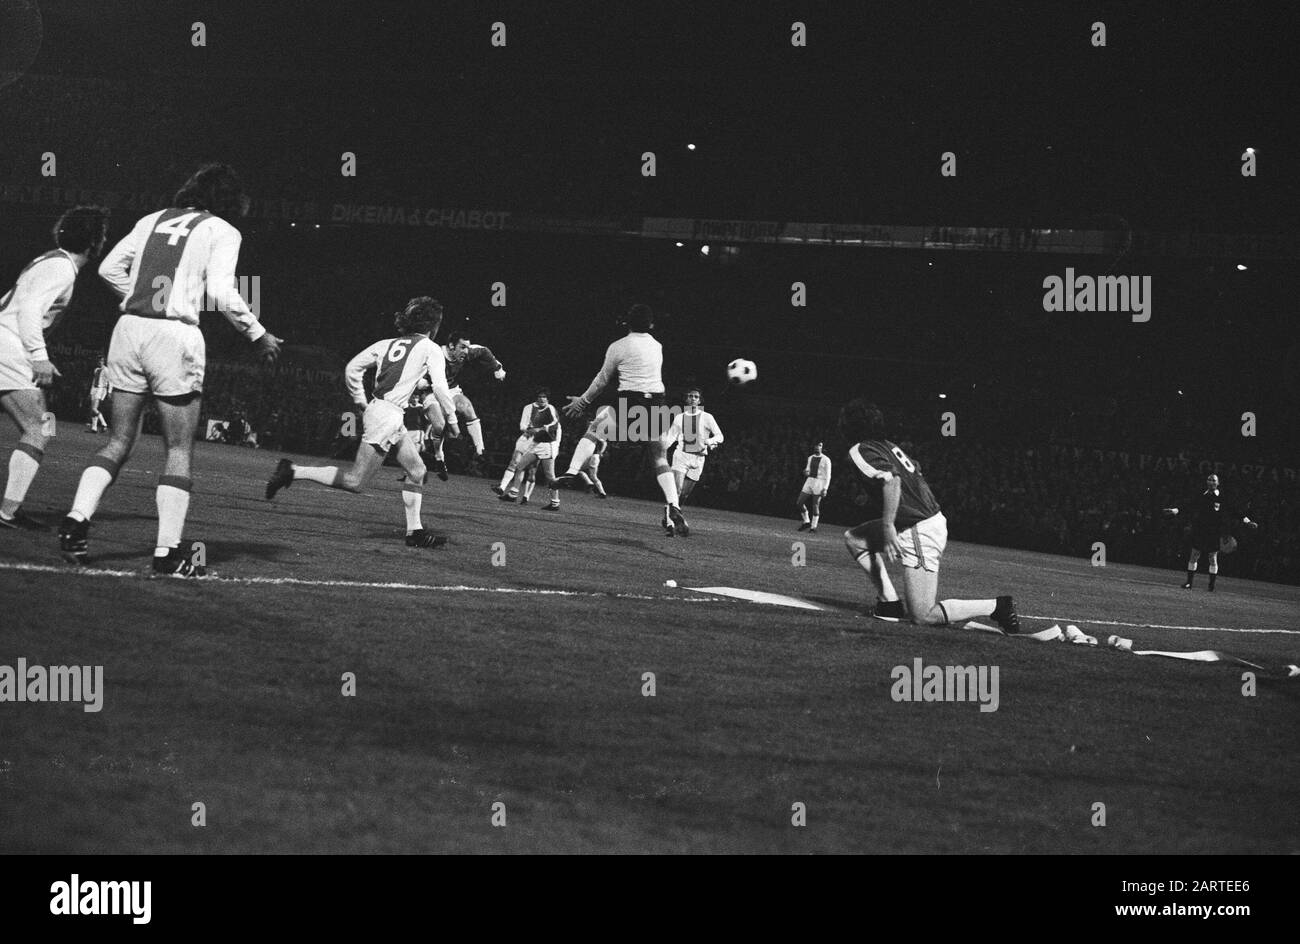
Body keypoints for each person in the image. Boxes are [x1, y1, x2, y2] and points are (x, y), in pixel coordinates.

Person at [58, 165, 280, 575]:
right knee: (178, 450)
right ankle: (167, 554)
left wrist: (142, 298)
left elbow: (108, 269)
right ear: (229, 199)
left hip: (128, 330)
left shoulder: (150, 219)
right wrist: (258, 334)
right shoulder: (223, 230)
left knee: (118, 441)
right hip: (174, 337)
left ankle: (76, 519)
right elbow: (221, 291)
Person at [265, 297, 456, 548]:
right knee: (356, 481)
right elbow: (442, 388)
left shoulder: (387, 344)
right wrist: (451, 419)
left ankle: (414, 532)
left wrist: (361, 402)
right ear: (434, 325)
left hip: (384, 412)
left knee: (418, 471)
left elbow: (352, 369)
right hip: (388, 416)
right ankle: (292, 471)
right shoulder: (430, 347)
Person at [839, 399, 1021, 631]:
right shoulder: (888, 445)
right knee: (855, 539)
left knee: (923, 615)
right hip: (922, 521)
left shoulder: (859, 449)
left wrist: (887, 525)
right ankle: (890, 604)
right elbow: (915, 467)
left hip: (918, 528)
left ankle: (997, 606)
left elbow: (892, 480)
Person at [0, 206, 110, 530]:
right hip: (9, 345)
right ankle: (8, 511)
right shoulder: (62, 268)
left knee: (40, 426)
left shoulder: (51, 260)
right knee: (40, 428)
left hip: (5, 341)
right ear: (94, 242)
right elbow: (30, 311)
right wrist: (39, 356)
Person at [553, 304, 690, 536]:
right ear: (652, 325)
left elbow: (601, 380)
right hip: (656, 402)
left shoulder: (618, 346)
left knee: (596, 427)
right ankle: (673, 504)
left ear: (627, 323)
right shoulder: (658, 346)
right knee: (659, 456)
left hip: (631, 401)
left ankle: (572, 470)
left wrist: (582, 402)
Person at [421, 330, 506, 476]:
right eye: (462, 347)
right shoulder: (436, 355)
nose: (466, 351)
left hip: (451, 390)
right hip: (431, 392)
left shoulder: (467, 352)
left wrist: (497, 368)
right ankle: (438, 456)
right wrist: (421, 382)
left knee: (466, 407)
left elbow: (484, 351)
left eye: (467, 347)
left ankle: (480, 451)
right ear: (451, 346)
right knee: (440, 425)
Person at [1163, 473, 1258, 590]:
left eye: (1214, 480)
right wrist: (1174, 510)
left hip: (1214, 531)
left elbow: (1236, 511)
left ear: (1218, 483)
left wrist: (1248, 522)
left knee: (1212, 557)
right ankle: (1189, 583)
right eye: (1209, 480)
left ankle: (1211, 585)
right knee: (1194, 555)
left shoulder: (1223, 497)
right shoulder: (1202, 496)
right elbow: (1188, 505)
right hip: (1200, 529)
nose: (1211, 482)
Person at [660, 387, 722, 532]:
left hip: (699, 459)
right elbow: (671, 437)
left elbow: (720, 436)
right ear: (686, 400)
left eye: (695, 396)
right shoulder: (679, 417)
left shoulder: (707, 417)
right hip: (681, 455)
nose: (692, 398)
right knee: (677, 490)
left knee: (684, 495)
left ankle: (669, 513)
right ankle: (671, 521)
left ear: (699, 400)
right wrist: (662, 450)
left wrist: (710, 442)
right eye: (690, 396)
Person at [497, 388, 561, 510]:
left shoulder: (550, 409)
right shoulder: (532, 409)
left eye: (544, 397)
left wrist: (540, 429)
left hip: (547, 445)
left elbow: (555, 424)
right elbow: (526, 427)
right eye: (540, 397)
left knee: (550, 476)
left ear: (548, 399)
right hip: (535, 444)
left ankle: (555, 502)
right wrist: (530, 430)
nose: (542, 399)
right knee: (520, 466)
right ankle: (513, 494)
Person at [796, 440, 831, 533]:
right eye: (816, 445)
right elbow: (807, 470)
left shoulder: (826, 459)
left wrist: (825, 488)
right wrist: (806, 472)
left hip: (820, 482)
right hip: (809, 481)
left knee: (815, 505)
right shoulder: (810, 458)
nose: (817, 447)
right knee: (799, 503)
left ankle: (813, 527)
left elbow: (828, 476)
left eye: (819, 445)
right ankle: (806, 521)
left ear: (822, 447)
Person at [85, 354, 111, 433]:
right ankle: (94, 428)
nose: (100, 362)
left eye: (102, 360)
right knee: (92, 409)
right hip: (95, 389)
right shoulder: (96, 370)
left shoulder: (106, 370)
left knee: (94, 409)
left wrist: (109, 392)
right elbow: (93, 382)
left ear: (104, 361)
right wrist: (90, 392)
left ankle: (104, 424)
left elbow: (110, 381)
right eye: (99, 360)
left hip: (101, 389)